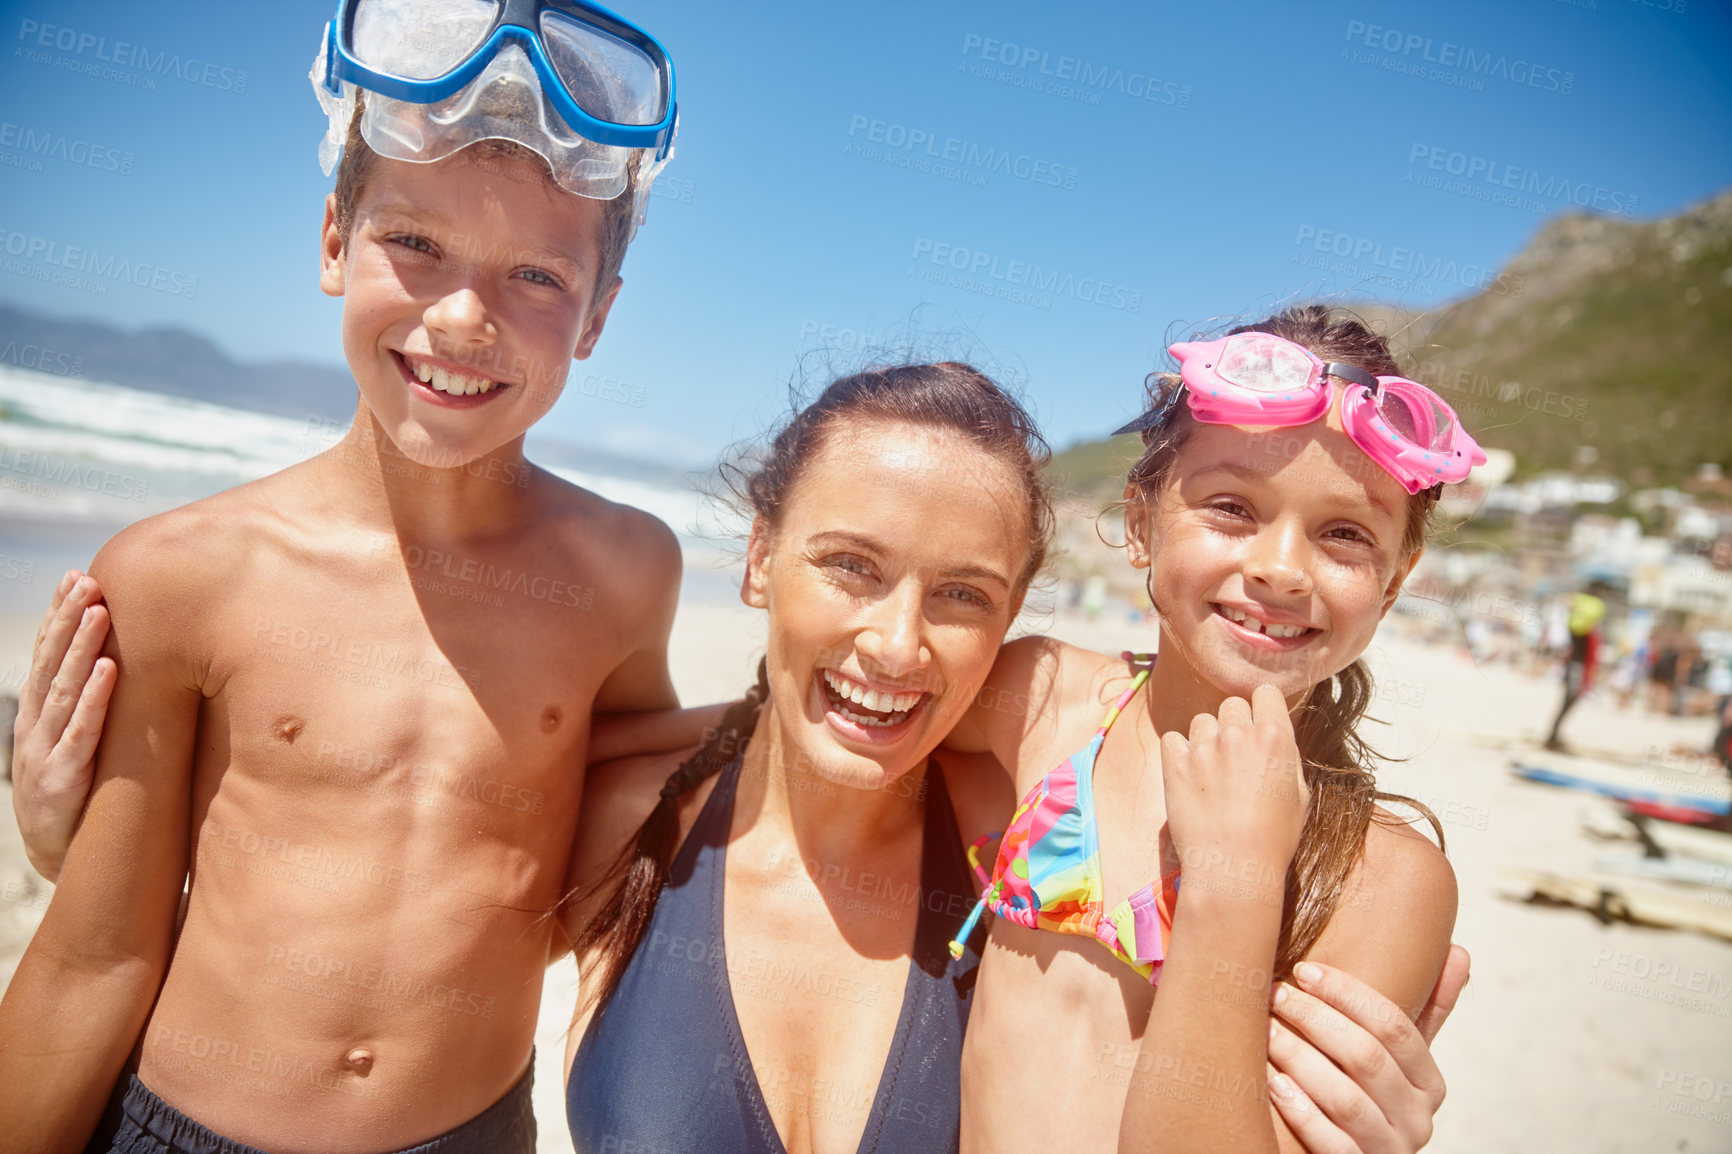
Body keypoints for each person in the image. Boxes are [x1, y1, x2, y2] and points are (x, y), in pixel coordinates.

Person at [19, 360, 1469, 1154]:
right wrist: (90, 829)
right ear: (759, 556)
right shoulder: (1033, 722)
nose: (902, 644)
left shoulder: (1349, 862)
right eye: (850, 565)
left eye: (1347, 535)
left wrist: (1232, 890)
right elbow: (373, 853)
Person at [0, 2, 684, 1151]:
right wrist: (62, 843)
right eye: (414, 244)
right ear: (333, 240)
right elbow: (97, 952)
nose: (465, 317)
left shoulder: (624, 574)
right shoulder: (184, 572)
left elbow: (607, 862)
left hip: (474, 1128)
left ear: (598, 317)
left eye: (535, 275)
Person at [945, 307, 1475, 1152]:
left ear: (1395, 578)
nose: (1280, 568)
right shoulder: (1044, 701)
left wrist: (1237, 877)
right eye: (1232, 507)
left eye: (1345, 534)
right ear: (1142, 522)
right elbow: (835, 742)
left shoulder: (1379, 877)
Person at [1544, 581, 1610, 752]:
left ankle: (1553, 734)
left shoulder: (1576, 618)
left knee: (1569, 700)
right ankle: (1552, 736)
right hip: (1576, 665)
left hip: (1575, 664)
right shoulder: (1581, 622)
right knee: (1569, 699)